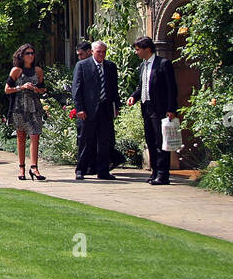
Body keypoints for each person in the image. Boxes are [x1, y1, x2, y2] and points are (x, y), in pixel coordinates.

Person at [127, 36, 178, 185]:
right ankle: (155, 171)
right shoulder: (143, 66)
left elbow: (171, 88)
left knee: (160, 142)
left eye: (138, 49)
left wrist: (171, 109)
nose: (136, 52)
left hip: (160, 108)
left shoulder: (163, 64)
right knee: (150, 140)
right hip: (147, 108)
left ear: (147, 49)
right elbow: (141, 86)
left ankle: (163, 174)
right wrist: (134, 97)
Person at [72, 39, 119, 180]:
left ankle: (103, 171)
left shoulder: (111, 66)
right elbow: (76, 88)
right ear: (92, 52)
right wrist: (79, 108)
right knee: (85, 141)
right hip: (88, 110)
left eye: (104, 52)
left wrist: (116, 107)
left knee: (104, 142)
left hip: (105, 109)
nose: (101, 54)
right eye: (99, 52)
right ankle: (81, 170)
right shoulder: (82, 66)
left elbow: (114, 89)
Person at [5, 45, 45, 180]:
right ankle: (21, 167)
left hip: (34, 107)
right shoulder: (16, 71)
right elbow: (7, 89)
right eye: (28, 53)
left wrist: (36, 89)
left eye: (32, 53)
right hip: (19, 107)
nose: (31, 55)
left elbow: (43, 88)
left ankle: (34, 167)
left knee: (35, 135)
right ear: (21, 55)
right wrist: (21, 87)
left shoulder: (38, 70)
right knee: (21, 137)